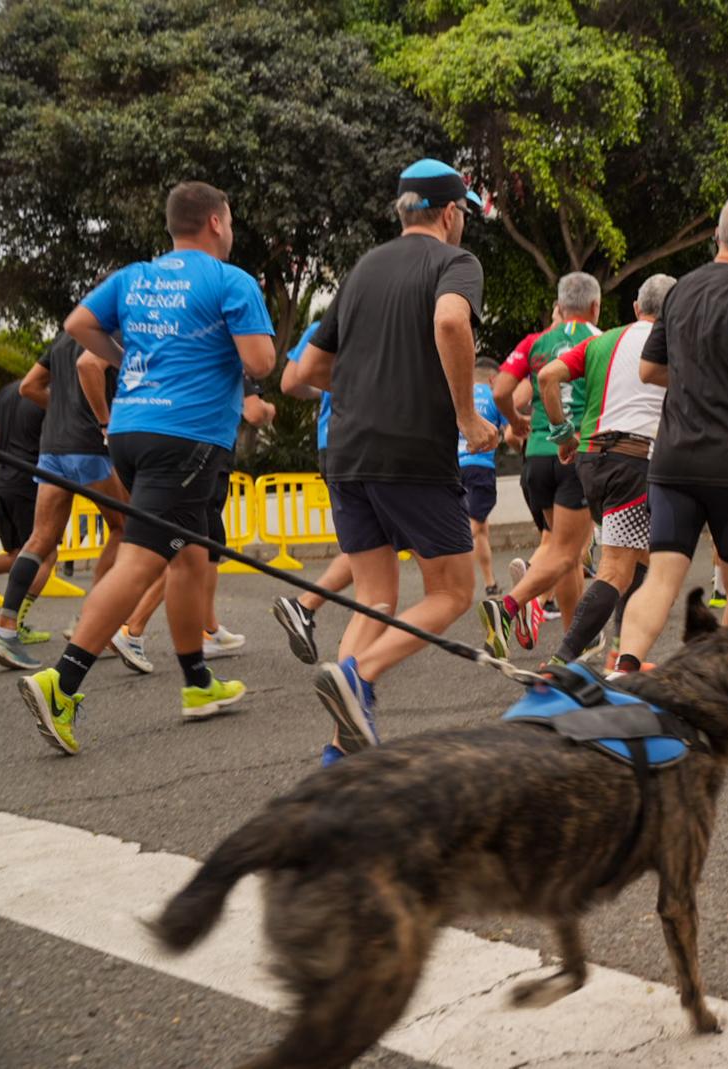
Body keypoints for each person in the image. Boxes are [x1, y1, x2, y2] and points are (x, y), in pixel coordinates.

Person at [11, 181, 275, 755]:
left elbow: (78, 324)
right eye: (230, 221)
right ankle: (62, 682)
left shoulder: (135, 277)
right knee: (143, 558)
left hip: (130, 430)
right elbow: (259, 361)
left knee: (190, 554)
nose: (230, 230)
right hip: (188, 437)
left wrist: (128, 356)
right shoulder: (230, 281)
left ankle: (198, 683)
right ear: (215, 222)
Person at [295, 159, 496, 764]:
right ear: (451, 213)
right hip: (413, 453)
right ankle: (358, 674)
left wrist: (370, 386)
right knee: (453, 591)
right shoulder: (455, 262)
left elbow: (309, 370)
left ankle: (342, 751)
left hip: (346, 452)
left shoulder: (363, 269)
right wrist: (467, 417)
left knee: (376, 597)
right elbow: (450, 321)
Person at [611, 194, 728, 674]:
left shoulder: (680, 291)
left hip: (674, 460)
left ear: (717, 237)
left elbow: (651, 369)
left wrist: (700, 375)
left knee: (661, 578)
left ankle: (624, 668)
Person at [528, 272, 676, 670]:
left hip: (590, 461)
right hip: (635, 462)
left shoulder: (602, 341)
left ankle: (624, 657)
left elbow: (547, 376)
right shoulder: (676, 344)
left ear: (636, 307)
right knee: (616, 569)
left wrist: (563, 436)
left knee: (641, 558)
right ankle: (561, 663)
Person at [0, 331, 134, 670]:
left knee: (40, 538)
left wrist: (64, 412)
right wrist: (103, 422)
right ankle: (89, 621)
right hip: (88, 445)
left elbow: (29, 386)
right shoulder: (115, 333)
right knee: (124, 527)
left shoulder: (64, 339)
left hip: (51, 448)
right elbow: (89, 365)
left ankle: (4, 629)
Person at [113, 380, 275, 672]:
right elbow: (253, 412)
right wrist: (267, 409)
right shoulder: (229, 362)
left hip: (184, 455)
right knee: (184, 554)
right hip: (202, 459)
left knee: (208, 548)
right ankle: (131, 629)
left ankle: (208, 629)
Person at [479, 272, 602, 653]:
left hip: (536, 456)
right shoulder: (600, 340)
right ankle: (511, 605)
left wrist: (516, 422)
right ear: (595, 306)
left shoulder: (536, 342)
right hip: (576, 453)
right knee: (566, 552)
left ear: (560, 306)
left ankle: (574, 642)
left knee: (569, 554)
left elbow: (501, 390)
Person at [271, 319, 357, 664]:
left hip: (331, 441)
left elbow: (290, 382)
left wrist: (326, 390)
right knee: (374, 548)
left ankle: (312, 610)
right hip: (367, 440)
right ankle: (311, 609)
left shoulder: (326, 325)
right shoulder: (386, 317)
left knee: (369, 546)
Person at [0, 378, 57, 642]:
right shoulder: (53, 393)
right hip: (26, 479)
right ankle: (14, 624)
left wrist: (9, 448)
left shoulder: (11, 388)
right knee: (44, 554)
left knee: (17, 555)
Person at [459, 357, 509, 593]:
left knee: (481, 528)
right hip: (481, 467)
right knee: (473, 526)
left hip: (456, 466)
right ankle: (449, 575)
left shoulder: (460, 397)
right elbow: (511, 432)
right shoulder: (495, 397)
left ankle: (490, 584)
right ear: (492, 378)